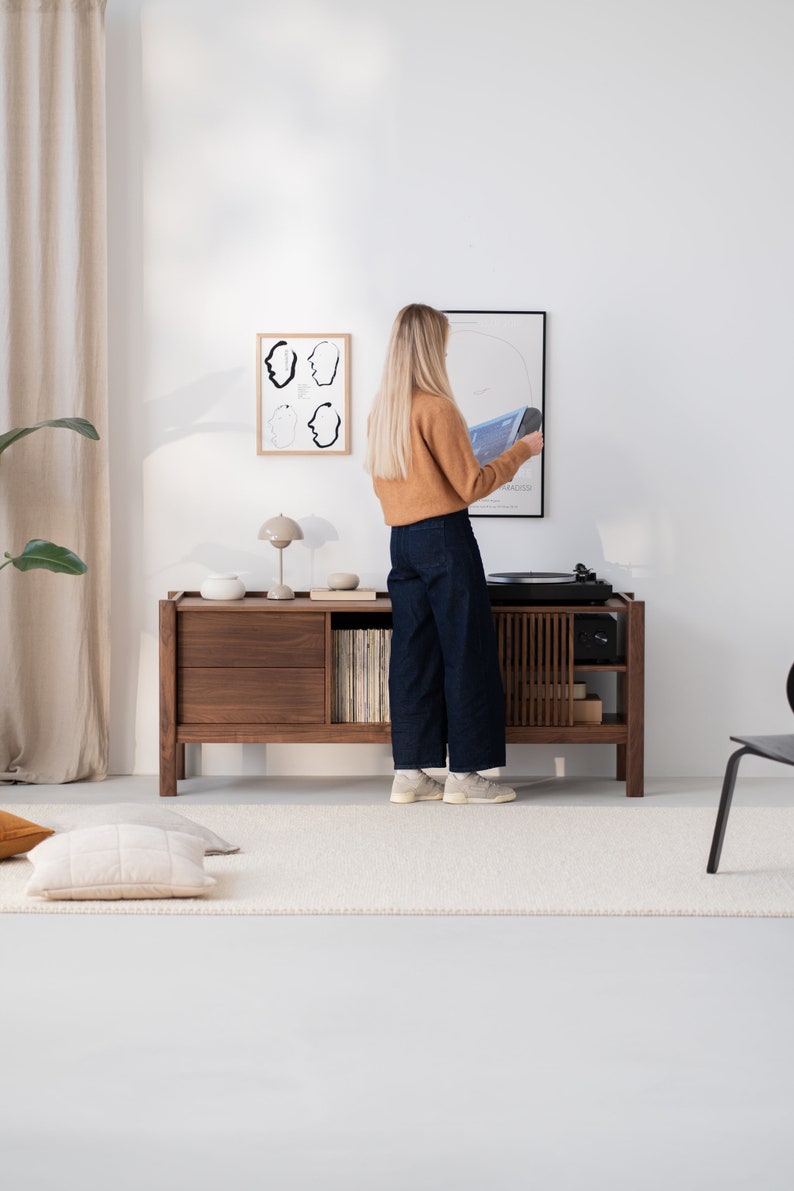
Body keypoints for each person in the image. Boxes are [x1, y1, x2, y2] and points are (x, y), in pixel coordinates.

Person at [366, 304, 544, 805]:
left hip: (402, 542)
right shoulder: (437, 408)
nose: (446, 350)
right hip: (445, 537)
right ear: (429, 347)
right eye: (442, 342)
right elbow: (470, 484)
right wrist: (520, 451)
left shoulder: (385, 411)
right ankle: (465, 777)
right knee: (466, 651)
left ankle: (409, 774)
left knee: (412, 655)